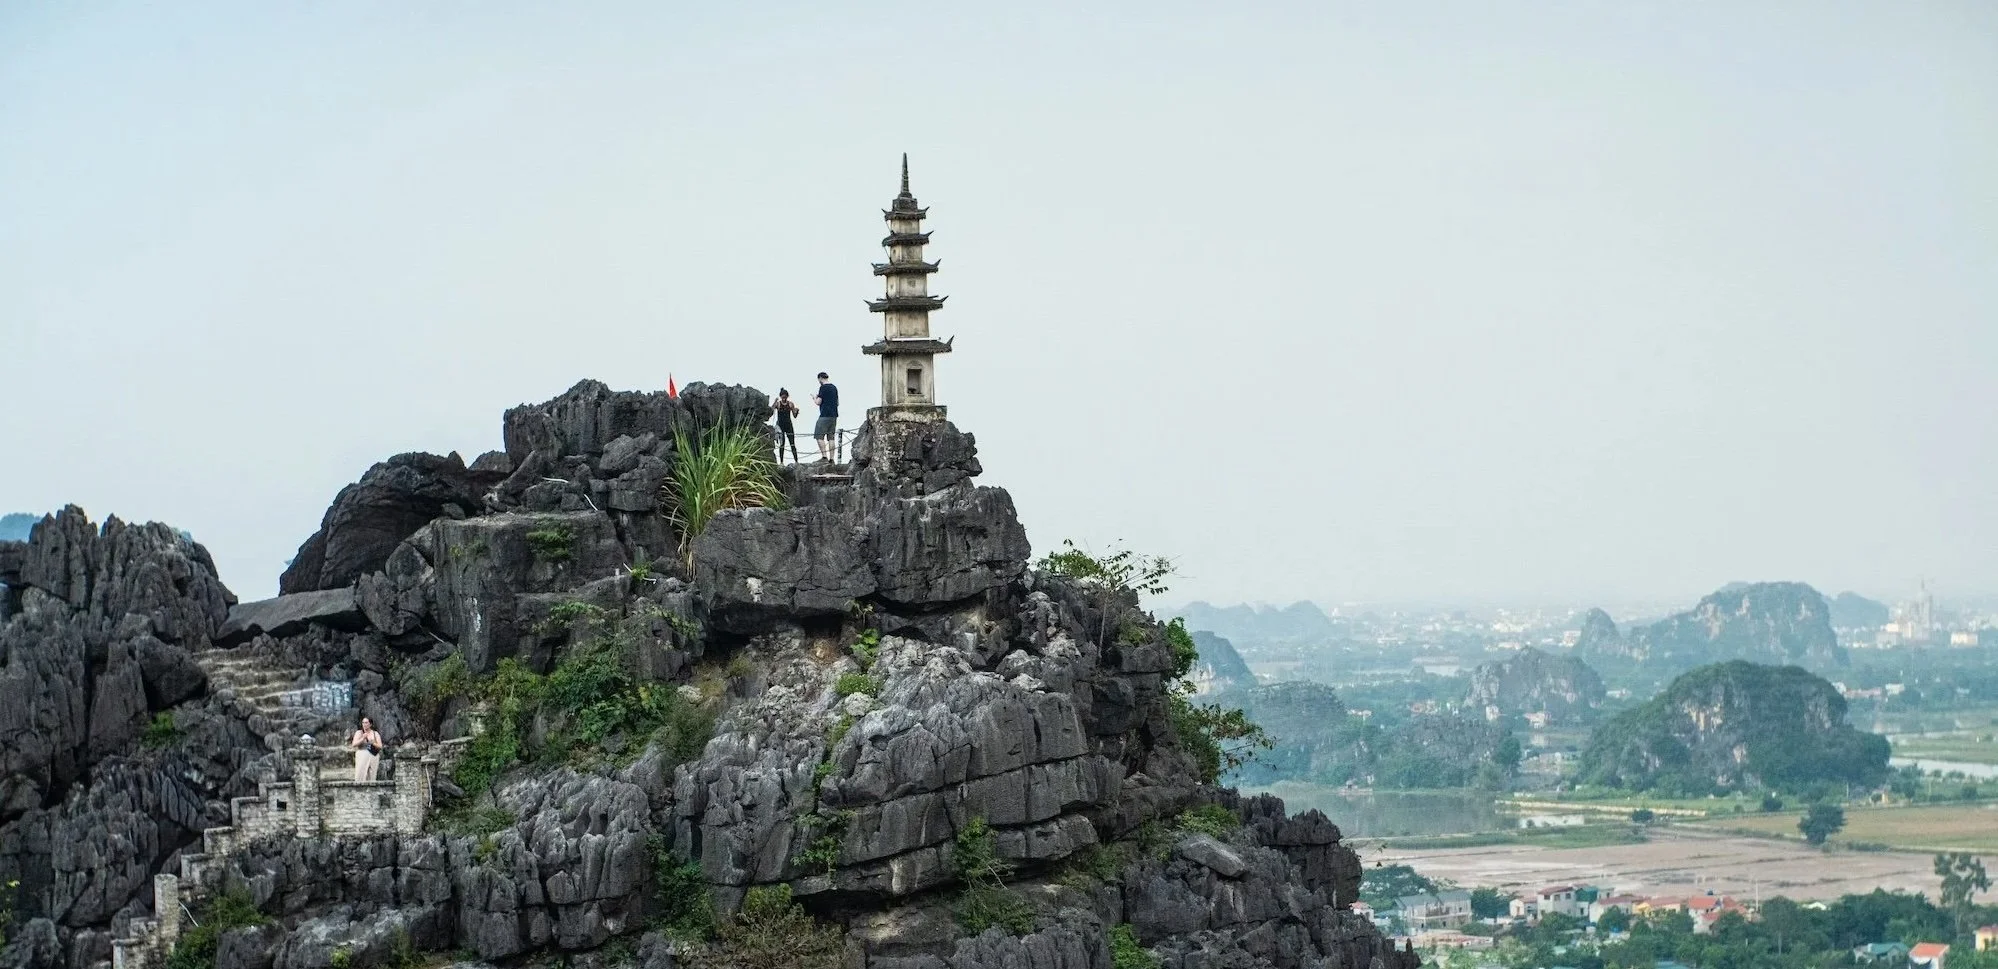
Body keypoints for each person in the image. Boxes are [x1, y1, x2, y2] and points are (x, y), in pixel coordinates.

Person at [811, 372, 839, 463]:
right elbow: (837, 403)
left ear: (820, 378)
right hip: (834, 415)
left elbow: (818, 402)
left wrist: (814, 398)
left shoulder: (823, 388)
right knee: (831, 438)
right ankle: (832, 459)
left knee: (819, 435)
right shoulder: (834, 387)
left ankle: (824, 457)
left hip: (824, 415)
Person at [349, 716, 385, 781]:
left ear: (370, 724)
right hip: (362, 754)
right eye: (363, 723)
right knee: (360, 774)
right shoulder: (359, 732)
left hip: (373, 755)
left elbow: (380, 746)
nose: (364, 724)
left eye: (366, 723)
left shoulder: (375, 733)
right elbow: (354, 744)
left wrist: (373, 743)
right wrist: (362, 738)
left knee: (372, 775)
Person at [772, 388, 800, 463]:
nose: (784, 399)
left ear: (787, 397)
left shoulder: (790, 404)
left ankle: (796, 461)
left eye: (785, 397)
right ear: (781, 397)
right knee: (782, 444)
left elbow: (794, 415)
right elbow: (771, 410)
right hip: (780, 426)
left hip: (788, 425)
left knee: (792, 443)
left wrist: (796, 411)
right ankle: (781, 462)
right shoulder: (778, 404)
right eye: (783, 397)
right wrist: (774, 402)